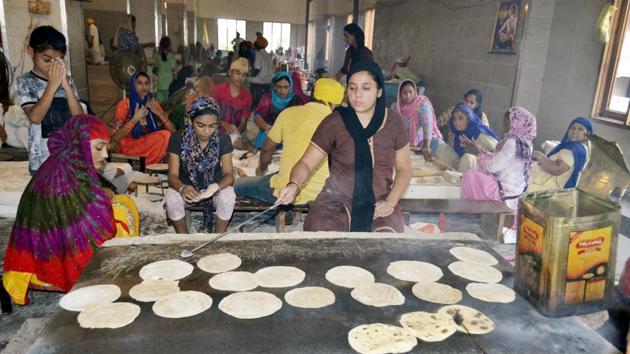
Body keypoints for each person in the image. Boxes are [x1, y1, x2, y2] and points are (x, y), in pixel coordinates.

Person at [3, 115, 139, 305]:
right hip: (53, 250)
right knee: (124, 209)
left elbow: (85, 197)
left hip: (49, 240)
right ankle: (110, 272)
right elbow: (89, 222)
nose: (106, 155)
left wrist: (102, 193)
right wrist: (105, 197)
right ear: (80, 144)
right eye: (99, 147)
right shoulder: (61, 180)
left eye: (106, 148)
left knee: (120, 200)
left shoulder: (65, 162)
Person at [276, 61, 412, 232]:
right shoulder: (335, 122)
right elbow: (306, 163)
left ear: (379, 91)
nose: (357, 95)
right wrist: (293, 185)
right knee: (321, 231)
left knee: (385, 242)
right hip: (336, 200)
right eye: (352, 88)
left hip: (380, 200)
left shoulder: (393, 123)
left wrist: (391, 201)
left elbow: (404, 169)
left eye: (366, 88)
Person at [235, 78, 344, 205]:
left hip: (287, 190)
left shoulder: (289, 113)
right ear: (335, 103)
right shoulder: (340, 123)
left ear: (312, 94)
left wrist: (261, 170)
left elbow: (266, 149)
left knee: (238, 184)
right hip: (323, 195)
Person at [461, 107, 537, 242]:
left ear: (517, 123)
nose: (506, 127)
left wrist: (478, 154)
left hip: (504, 194)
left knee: (470, 176)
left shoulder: (512, 142)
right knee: (480, 174)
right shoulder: (526, 143)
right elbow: (501, 160)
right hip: (515, 194)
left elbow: (493, 166)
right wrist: (479, 151)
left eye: (508, 124)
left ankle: (469, 216)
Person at [16, 26, 84, 175]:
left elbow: (79, 118)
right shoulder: (25, 81)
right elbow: (35, 117)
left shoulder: (68, 81)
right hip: (42, 159)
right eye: (46, 60)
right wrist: (52, 85)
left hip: (69, 155)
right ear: (30, 51)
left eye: (57, 60)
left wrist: (66, 86)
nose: (52, 65)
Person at [165, 97, 236, 233]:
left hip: (213, 189)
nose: (207, 131)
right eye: (200, 125)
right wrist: (182, 188)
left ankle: (218, 236)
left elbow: (229, 175)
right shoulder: (178, 138)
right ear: (191, 121)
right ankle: (183, 238)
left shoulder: (222, 138)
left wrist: (216, 187)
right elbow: (172, 176)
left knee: (228, 197)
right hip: (187, 189)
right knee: (172, 198)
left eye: (212, 126)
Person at [113, 72, 175, 164]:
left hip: (147, 142)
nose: (144, 87)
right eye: (140, 83)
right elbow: (115, 138)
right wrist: (135, 119)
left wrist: (158, 113)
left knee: (167, 135)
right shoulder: (125, 104)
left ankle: (151, 163)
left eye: (146, 83)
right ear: (133, 85)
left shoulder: (153, 104)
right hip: (129, 145)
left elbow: (174, 131)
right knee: (164, 137)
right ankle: (150, 165)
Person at [528, 117, 593, 192]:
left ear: (587, 134)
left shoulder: (574, 150)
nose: (575, 131)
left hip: (545, 187)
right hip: (541, 179)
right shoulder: (576, 146)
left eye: (580, 129)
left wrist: (538, 155)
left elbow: (556, 169)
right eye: (572, 128)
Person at [435, 103, 499, 172]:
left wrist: (478, 151)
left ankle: (465, 180)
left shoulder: (480, 133)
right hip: (461, 162)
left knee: (468, 158)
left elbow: (498, 152)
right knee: (443, 148)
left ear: (468, 119)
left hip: (482, 167)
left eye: (460, 118)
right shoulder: (458, 133)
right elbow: (456, 151)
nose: (456, 122)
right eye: (454, 119)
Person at [391, 79, 443, 160]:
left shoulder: (422, 105)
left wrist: (426, 147)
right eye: (404, 93)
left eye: (410, 92)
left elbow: (427, 127)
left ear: (415, 92)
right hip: (406, 145)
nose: (408, 95)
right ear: (400, 94)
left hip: (425, 143)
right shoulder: (396, 107)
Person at [253, 71, 306, 149]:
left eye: (286, 87)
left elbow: (301, 121)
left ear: (291, 86)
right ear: (274, 86)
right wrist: (269, 128)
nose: (282, 91)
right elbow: (257, 116)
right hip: (267, 137)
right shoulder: (268, 98)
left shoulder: (296, 100)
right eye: (279, 87)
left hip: (288, 139)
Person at [211, 58, 253, 137]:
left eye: (244, 75)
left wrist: (234, 135)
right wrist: (224, 124)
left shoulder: (247, 96)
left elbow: (243, 123)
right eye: (237, 73)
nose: (240, 78)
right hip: (214, 132)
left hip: (235, 134)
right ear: (230, 72)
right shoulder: (218, 90)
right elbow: (207, 115)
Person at [249, 36, 274, 109]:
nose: (254, 43)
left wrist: (248, 73)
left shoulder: (259, 54)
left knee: (256, 105)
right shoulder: (268, 55)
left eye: (256, 42)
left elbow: (256, 70)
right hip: (268, 83)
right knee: (263, 106)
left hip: (258, 84)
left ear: (258, 44)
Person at [153, 36, 176, 104]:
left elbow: (155, 69)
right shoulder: (171, 56)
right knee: (168, 103)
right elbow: (173, 69)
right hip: (169, 82)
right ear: (169, 45)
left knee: (159, 104)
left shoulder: (157, 55)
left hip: (160, 82)